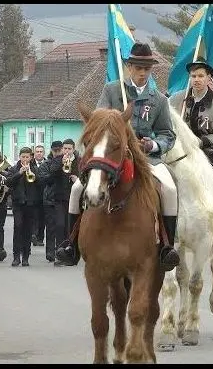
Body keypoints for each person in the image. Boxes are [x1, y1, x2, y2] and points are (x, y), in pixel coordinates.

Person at [55, 43, 180, 272]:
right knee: (76, 190)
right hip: (112, 157)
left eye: (147, 68)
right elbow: (97, 121)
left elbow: (167, 135)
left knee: (170, 189)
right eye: (138, 67)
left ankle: (167, 246)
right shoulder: (112, 90)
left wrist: (153, 144)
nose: (142, 73)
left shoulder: (159, 99)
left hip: (145, 158)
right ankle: (71, 244)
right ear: (129, 67)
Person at [169, 57, 213, 174]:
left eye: (201, 76)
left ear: (208, 78)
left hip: (211, 149)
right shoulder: (175, 99)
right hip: (181, 148)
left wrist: (201, 141)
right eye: (193, 76)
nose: (196, 80)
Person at [39, 139, 80, 266]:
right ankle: (60, 253)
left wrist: (77, 179)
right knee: (60, 225)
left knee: (71, 227)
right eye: (65, 148)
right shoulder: (58, 160)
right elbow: (51, 175)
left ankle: (71, 253)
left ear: (73, 149)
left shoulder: (79, 161)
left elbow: (85, 176)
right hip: (59, 198)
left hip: (73, 198)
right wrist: (60, 165)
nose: (66, 151)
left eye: (69, 149)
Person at [4, 147, 42, 267]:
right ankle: (16, 257)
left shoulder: (35, 169)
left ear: (31, 158)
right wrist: (19, 173)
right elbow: (8, 182)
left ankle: (26, 257)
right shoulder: (14, 168)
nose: (25, 159)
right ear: (19, 157)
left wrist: (35, 177)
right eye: (23, 157)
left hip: (31, 203)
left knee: (28, 230)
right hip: (18, 203)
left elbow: (41, 184)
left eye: (27, 157)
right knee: (18, 227)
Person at [39, 141, 62, 263]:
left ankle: (61, 250)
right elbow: (44, 180)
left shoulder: (67, 162)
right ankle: (50, 252)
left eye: (59, 150)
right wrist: (57, 168)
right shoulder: (46, 164)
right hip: (50, 199)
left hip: (63, 199)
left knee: (61, 226)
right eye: (55, 151)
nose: (57, 153)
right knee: (51, 227)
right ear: (52, 151)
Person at [32, 145, 47, 248]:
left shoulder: (47, 163)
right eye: (37, 151)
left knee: (42, 218)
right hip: (33, 195)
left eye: (41, 151)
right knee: (34, 217)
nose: (39, 153)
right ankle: (34, 235)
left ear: (44, 153)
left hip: (44, 195)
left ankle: (40, 238)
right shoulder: (30, 164)